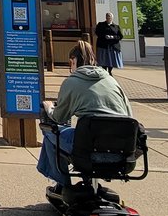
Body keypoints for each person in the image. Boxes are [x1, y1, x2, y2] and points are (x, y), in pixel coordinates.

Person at [36, 31, 133, 197]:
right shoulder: (111, 81)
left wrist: (49, 107)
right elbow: (129, 115)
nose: (70, 68)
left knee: (50, 132)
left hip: (86, 146)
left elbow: (59, 117)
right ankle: (87, 181)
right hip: (121, 151)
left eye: (70, 64)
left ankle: (62, 184)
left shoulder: (72, 82)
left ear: (74, 61)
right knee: (77, 134)